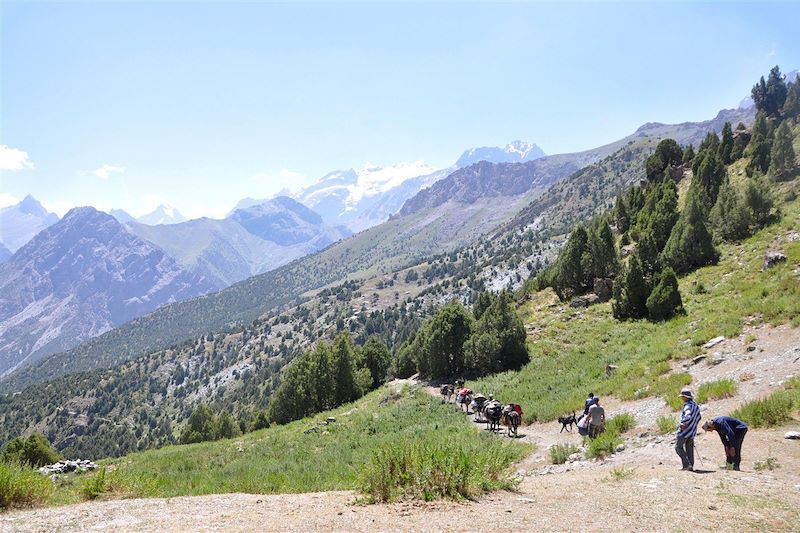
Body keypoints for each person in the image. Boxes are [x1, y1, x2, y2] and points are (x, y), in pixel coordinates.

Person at [675, 388, 701, 471]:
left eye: (682, 397)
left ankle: (686, 464)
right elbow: (699, 417)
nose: (682, 398)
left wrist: (683, 424)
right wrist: (693, 425)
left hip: (684, 432)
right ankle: (690, 466)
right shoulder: (695, 405)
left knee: (678, 447)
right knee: (689, 448)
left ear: (686, 397)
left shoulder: (687, 406)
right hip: (692, 431)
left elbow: (687, 416)